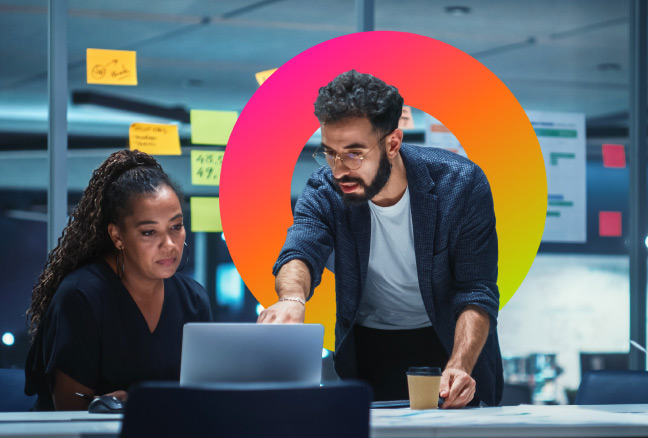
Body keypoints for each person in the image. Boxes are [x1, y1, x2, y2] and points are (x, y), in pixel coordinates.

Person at [258, 70, 503, 408]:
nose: (340, 168)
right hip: (370, 348)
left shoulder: (461, 184)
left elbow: (476, 289)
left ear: (392, 143)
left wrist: (460, 364)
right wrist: (291, 299)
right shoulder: (325, 188)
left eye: (354, 153)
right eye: (330, 152)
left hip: (448, 341)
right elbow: (301, 250)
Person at [25, 149, 212, 411]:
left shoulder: (193, 299)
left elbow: (202, 397)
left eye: (176, 226)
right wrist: (131, 404)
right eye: (149, 232)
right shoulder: (82, 296)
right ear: (117, 236)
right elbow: (69, 406)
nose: (169, 245)